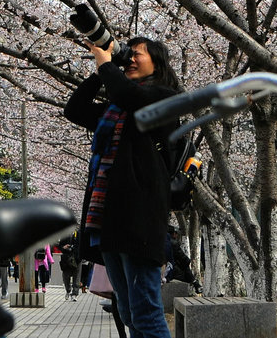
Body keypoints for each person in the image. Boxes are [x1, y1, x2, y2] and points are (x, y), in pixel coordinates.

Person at [64, 37, 183, 338]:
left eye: (137, 55)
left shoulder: (163, 97)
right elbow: (75, 110)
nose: (129, 60)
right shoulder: (117, 108)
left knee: (145, 311)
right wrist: (100, 69)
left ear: (157, 62)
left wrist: (107, 63)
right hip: (110, 218)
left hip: (140, 217)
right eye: (127, 55)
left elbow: (127, 94)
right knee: (128, 310)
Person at [165, 225, 202, 294]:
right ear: (173, 233)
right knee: (185, 268)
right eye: (176, 233)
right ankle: (195, 284)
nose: (176, 236)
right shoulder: (173, 243)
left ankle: (195, 284)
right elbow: (183, 259)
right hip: (169, 270)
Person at [58, 231, 80, 301]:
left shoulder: (79, 233)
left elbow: (82, 245)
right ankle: (68, 290)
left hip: (77, 258)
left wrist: (74, 248)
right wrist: (63, 247)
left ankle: (74, 294)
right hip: (66, 258)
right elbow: (59, 245)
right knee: (66, 277)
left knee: (76, 277)